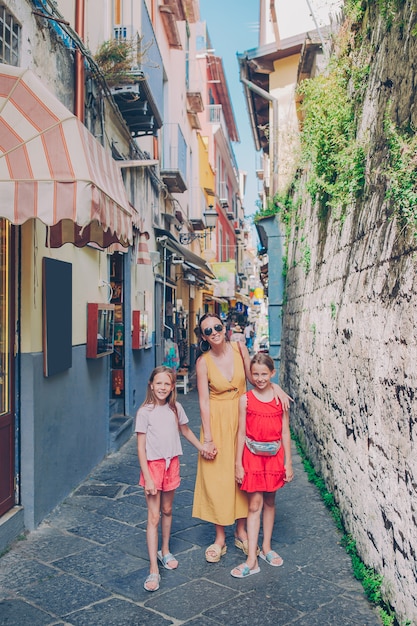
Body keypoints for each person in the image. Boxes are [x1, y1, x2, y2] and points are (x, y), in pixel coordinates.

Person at [192, 313, 292, 563]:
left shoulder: (239, 348)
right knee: (215, 477)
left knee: (242, 475)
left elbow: (255, 379)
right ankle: (219, 538)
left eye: (217, 326)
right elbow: (203, 401)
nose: (214, 332)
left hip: (242, 416)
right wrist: (208, 438)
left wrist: (276, 386)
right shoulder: (203, 362)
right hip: (216, 420)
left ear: (224, 327)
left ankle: (240, 530)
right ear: (203, 337)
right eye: (207, 331)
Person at [136, 366, 215, 592]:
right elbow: (140, 448)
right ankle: (153, 569)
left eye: (167, 384)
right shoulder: (145, 412)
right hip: (153, 466)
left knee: (168, 510)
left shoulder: (175, 408)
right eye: (158, 383)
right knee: (153, 516)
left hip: (172, 464)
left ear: (172, 387)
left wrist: (202, 448)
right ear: (151, 384)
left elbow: (186, 431)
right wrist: (148, 478)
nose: (162, 388)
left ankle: (165, 550)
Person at [231, 353, 294, 578]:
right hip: (252, 457)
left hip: (274, 456)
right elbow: (241, 434)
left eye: (264, 374)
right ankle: (252, 558)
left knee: (270, 500)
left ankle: (266, 547)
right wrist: (238, 463)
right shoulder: (245, 400)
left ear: (272, 374)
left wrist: (288, 462)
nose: (259, 378)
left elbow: (285, 432)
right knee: (254, 504)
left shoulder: (280, 399)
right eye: (255, 374)